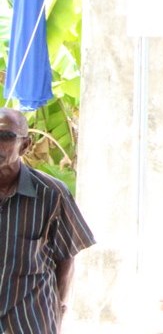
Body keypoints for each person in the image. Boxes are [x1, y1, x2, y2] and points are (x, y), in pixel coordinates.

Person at [0, 108, 95, 334]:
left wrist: (59, 310)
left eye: (6, 136)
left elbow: (66, 258)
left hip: (28, 320)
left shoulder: (52, 194)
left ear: (25, 145)